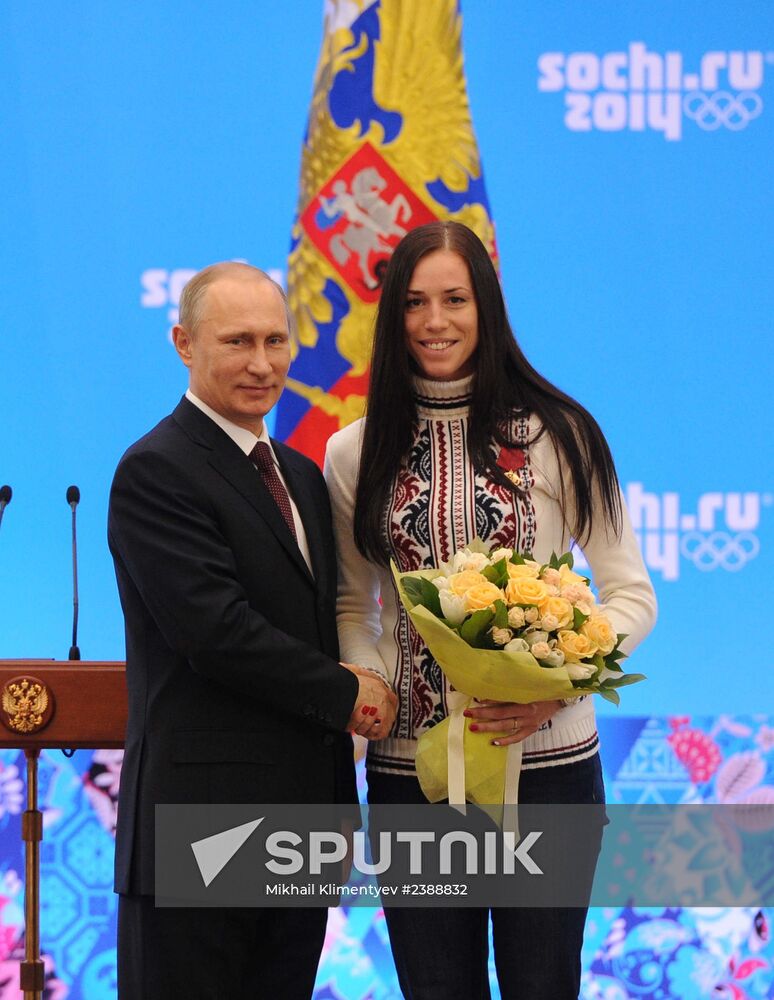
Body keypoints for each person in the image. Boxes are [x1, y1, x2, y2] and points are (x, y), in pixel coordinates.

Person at [324, 222, 657, 999]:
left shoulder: (559, 433)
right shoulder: (354, 451)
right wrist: (370, 683)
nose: (434, 322)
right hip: (410, 775)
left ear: (488, 307)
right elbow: (353, 602)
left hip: (549, 772)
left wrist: (559, 683)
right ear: (391, 317)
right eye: (413, 303)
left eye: (454, 299)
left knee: (543, 985)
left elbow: (630, 594)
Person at [108, 262, 396, 1000]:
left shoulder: (301, 475)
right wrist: (347, 693)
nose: (262, 364)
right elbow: (216, 632)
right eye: (237, 341)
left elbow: (326, 617)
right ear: (183, 342)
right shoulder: (156, 469)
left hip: (299, 830)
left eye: (276, 341)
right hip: (200, 831)